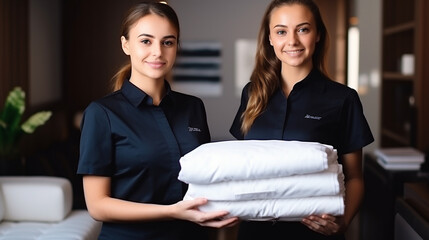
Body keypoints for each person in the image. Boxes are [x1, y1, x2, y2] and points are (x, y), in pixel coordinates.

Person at [77, 1, 238, 239]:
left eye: (168, 42)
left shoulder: (193, 107)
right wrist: (172, 212)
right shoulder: (101, 113)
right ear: (126, 45)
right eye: (146, 41)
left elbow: (203, 180)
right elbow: (97, 205)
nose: (158, 52)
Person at [230, 0, 374, 239]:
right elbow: (244, 168)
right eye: (281, 31)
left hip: (314, 233)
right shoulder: (252, 93)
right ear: (270, 38)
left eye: (303, 29)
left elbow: (355, 178)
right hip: (254, 231)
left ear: (317, 35)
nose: (292, 41)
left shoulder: (343, 98)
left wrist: (344, 222)